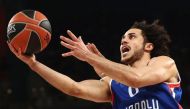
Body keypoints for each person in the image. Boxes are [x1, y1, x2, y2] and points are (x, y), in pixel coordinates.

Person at [8, 20, 182, 109]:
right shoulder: (113, 84)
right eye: (122, 38)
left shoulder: (164, 63)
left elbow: (137, 79)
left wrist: (91, 58)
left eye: (131, 37)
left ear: (148, 46)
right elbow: (74, 88)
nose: (123, 41)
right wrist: (33, 64)